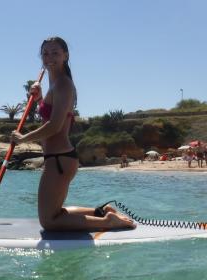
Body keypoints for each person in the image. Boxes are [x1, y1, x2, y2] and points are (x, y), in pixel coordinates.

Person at [10, 37, 135, 231]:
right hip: (57, 158)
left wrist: (23, 138)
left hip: (60, 159)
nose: (49, 57)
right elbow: (49, 115)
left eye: (55, 53)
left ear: (65, 56)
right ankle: (102, 212)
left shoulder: (63, 84)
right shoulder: (54, 82)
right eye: (45, 53)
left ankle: (107, 222)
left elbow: (55, 126)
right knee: (55, 213)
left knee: (49, 221)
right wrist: (39, 98)